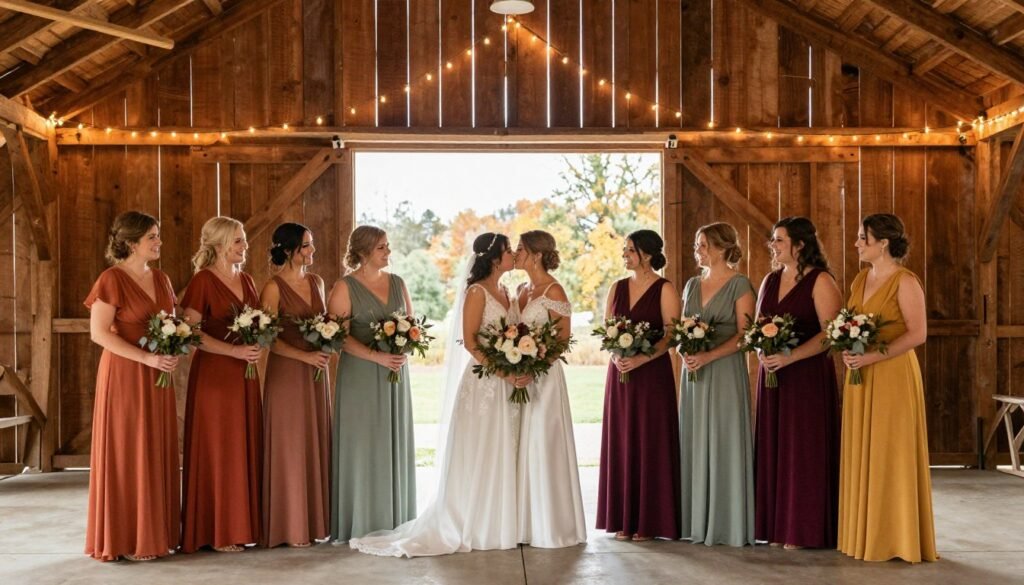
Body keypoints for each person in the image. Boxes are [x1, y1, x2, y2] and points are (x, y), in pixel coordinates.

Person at [349, 232, 524, 556]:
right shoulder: (476, 292)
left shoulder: (508, 291)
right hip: (485, 382)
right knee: (481, 449)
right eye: (509, 250)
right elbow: (471, 343)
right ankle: (475, 522)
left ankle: (501, 521)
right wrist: (503, 371)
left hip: (508, 381)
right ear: (495, 258)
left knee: (504, 446)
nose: (514, 254)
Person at [838, 213, 936, 563]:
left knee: (890, 452)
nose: (857, 243)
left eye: (863, 238)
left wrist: (871, 357)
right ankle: (865, 533)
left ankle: (897, 537)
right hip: (860, 377)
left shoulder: (905, 281)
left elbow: (918, 334)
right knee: (864, 450)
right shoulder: (861, 278)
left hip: (892, 374)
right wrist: (851, 351)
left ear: (884, 242)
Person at [84, 211, 179, 562]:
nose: (158, 242)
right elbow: (98, 334)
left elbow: (172, 323)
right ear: (130, 243)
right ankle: (128, 537)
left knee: (155, 447)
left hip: (159, 375)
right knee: (129, 450)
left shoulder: (162, 278)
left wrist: (171, 350)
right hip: (125, 374)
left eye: (158, 235)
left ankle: (156, 533)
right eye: (152, 237)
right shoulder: (111, 279)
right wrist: (147, 359)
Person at [754, 217, 841, 550]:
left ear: (800, 245)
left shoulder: (821, 282)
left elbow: (830, 334)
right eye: (772, 240)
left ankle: (804, 529)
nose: (773, 246)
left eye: (779, 240)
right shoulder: (770, 280)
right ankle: (778, 526)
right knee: (775, 447)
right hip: (773, 376)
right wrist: (763, 350)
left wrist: (791, 357)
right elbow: (759, 325)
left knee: (804, 451)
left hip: (806, 376)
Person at [327, 226, 416, 543]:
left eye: (388, 246)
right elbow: (337, 336)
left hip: (394, 374)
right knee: (364, 444)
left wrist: (403, 348)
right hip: (361, 377)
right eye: (382, 247)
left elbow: (411, 325)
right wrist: (375, 357)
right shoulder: (345, 286)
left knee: (391, 440)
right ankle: (362, 521)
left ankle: (396, 519)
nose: (388, 252)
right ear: (364, 252)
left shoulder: (398, 283)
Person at [180, 216, 264, 553]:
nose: (245, 247)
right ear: (218, 246)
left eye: (244, 240)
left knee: (242, 446)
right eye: (238, 241)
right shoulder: (203, 281)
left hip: (244, 375)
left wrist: (256, 342)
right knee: (220, 449)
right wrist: (234, 350)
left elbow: (258, 322)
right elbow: (190, 333)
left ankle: (241, 525)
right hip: (215, 375)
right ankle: (217, 530)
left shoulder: (247, 280)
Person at [596, 229, 682, 541]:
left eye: (629, 250)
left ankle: (650, 521)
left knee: (650, 440)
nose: (624, 255)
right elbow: (607, 331)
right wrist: (615, 353)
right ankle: (622, 517)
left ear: (645, 254)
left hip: (651, 376)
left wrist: (643, 359)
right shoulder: (616, 288)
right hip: (619, 375)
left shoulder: (665, 288)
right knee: (622, 439)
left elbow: (671, 335)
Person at [678, 222, 755, 547]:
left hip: (724, 371)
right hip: (694, 373)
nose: (698, 250)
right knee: (695, 439)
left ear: (723, 248)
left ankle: (727, 523)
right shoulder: (692, 285)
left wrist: (710, 356)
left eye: (704, 245)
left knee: (724, 438)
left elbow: (746, 335)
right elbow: (682, 328)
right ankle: (694, 520)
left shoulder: (740, 285)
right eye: (698, 244)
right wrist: (686, 351)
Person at [512, 230, 586, 549]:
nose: (514, 253)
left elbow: (562, 339)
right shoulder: (519, 289)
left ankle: (553, 525)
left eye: (520, 249)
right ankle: (524, 524)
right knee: (521, 444)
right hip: (520, 374)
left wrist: (534, 367)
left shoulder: (554, 289)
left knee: (545, 442)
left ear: (536, 254)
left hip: (544, 377)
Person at [259, 223, 332, 548]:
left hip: (316, 373)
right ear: (288, 250)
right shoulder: (272, 288)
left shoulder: (317, 282)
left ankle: (315, 523)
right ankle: (289, 526)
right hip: (288, 373)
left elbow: (327, 324)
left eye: (312, 244)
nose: (312, 251)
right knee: (290, 444)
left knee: (314, 438)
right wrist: (305, 358)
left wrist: (327, 344)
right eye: (306, 246)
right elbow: (268, 340)